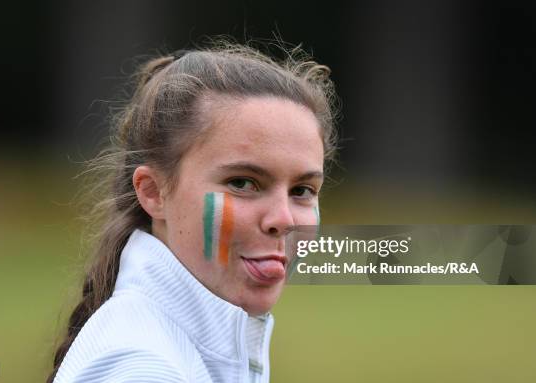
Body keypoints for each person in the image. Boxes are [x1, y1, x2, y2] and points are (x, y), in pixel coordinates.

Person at [47, 40, 339, 383]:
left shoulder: (185, 347)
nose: (284, 221)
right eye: (243, 183)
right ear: (153, 192)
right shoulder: (140, 368)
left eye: (302, 191)